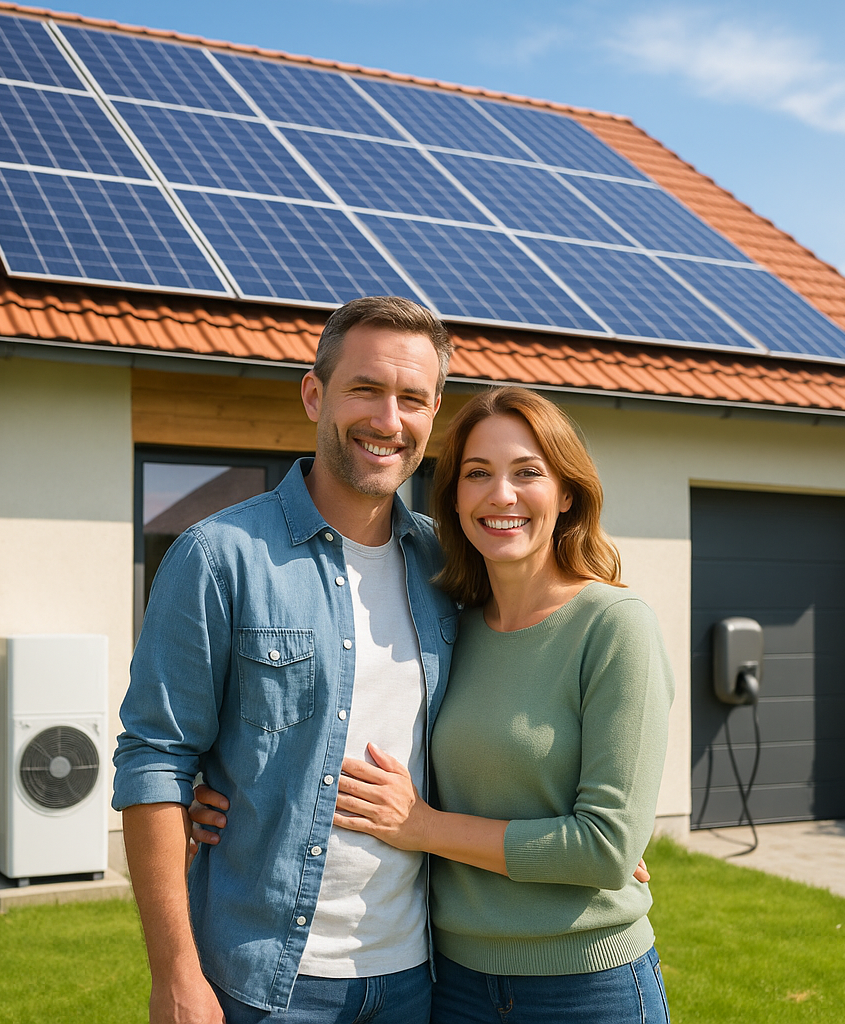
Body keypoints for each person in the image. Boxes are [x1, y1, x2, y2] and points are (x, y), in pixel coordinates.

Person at [194, 387, 675, 1023]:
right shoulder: (451, 625)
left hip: (585, 983)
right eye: (478, 474)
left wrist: (422, 826)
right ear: (452, 500)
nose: (501, 495)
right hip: (455, 983)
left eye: (528, 472)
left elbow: (607, 849)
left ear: (568, 492)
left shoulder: (615, 626)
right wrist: (226, 790)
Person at [113, 295, 459, 1024]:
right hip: (264, 981)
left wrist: (580, 844)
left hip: (421, 976)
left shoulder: (449, 566)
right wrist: (176, 975)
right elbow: (153, 759)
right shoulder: (218, 557)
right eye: (365, 388)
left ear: (433, 416)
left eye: (412, 399)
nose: (388, 420)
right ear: (314, 394)